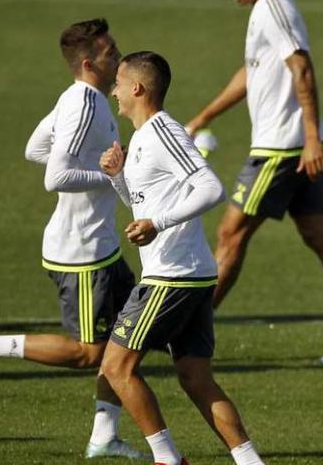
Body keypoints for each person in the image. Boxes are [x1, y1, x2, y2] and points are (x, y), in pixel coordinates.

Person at [184, 0, 323, 364]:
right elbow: (252, 73)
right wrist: (204, 117)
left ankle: (192, 331)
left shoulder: (274, 6)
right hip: (293, 146)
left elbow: (302, 68)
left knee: (230, 234)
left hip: (281, 149)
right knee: (320, 235)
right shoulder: (262, 8)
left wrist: (309, 139)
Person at [0, 18, 143, 460]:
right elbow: (55, 176)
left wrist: (100, 169)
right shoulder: (86, 104)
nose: (119, 56)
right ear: (91, 63)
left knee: (127, 343)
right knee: (89, 353)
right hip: (81, 253)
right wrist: (111, 175)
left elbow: (35, 149)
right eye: (111, 52)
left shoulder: (78, 98)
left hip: (102, 245)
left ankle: (104, 436)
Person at [99, 51, 267, 465]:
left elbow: (211, 189)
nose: (114, 91)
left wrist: (157, 222)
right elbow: (147, 207)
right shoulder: (140, 139)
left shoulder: (163, 132)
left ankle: (167, 458)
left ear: (137, 88)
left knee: (116, 368)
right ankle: (250, 462)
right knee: (195, 378)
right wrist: (119, 178)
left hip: (173, 276)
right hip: (186, 274)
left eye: (118, 83)